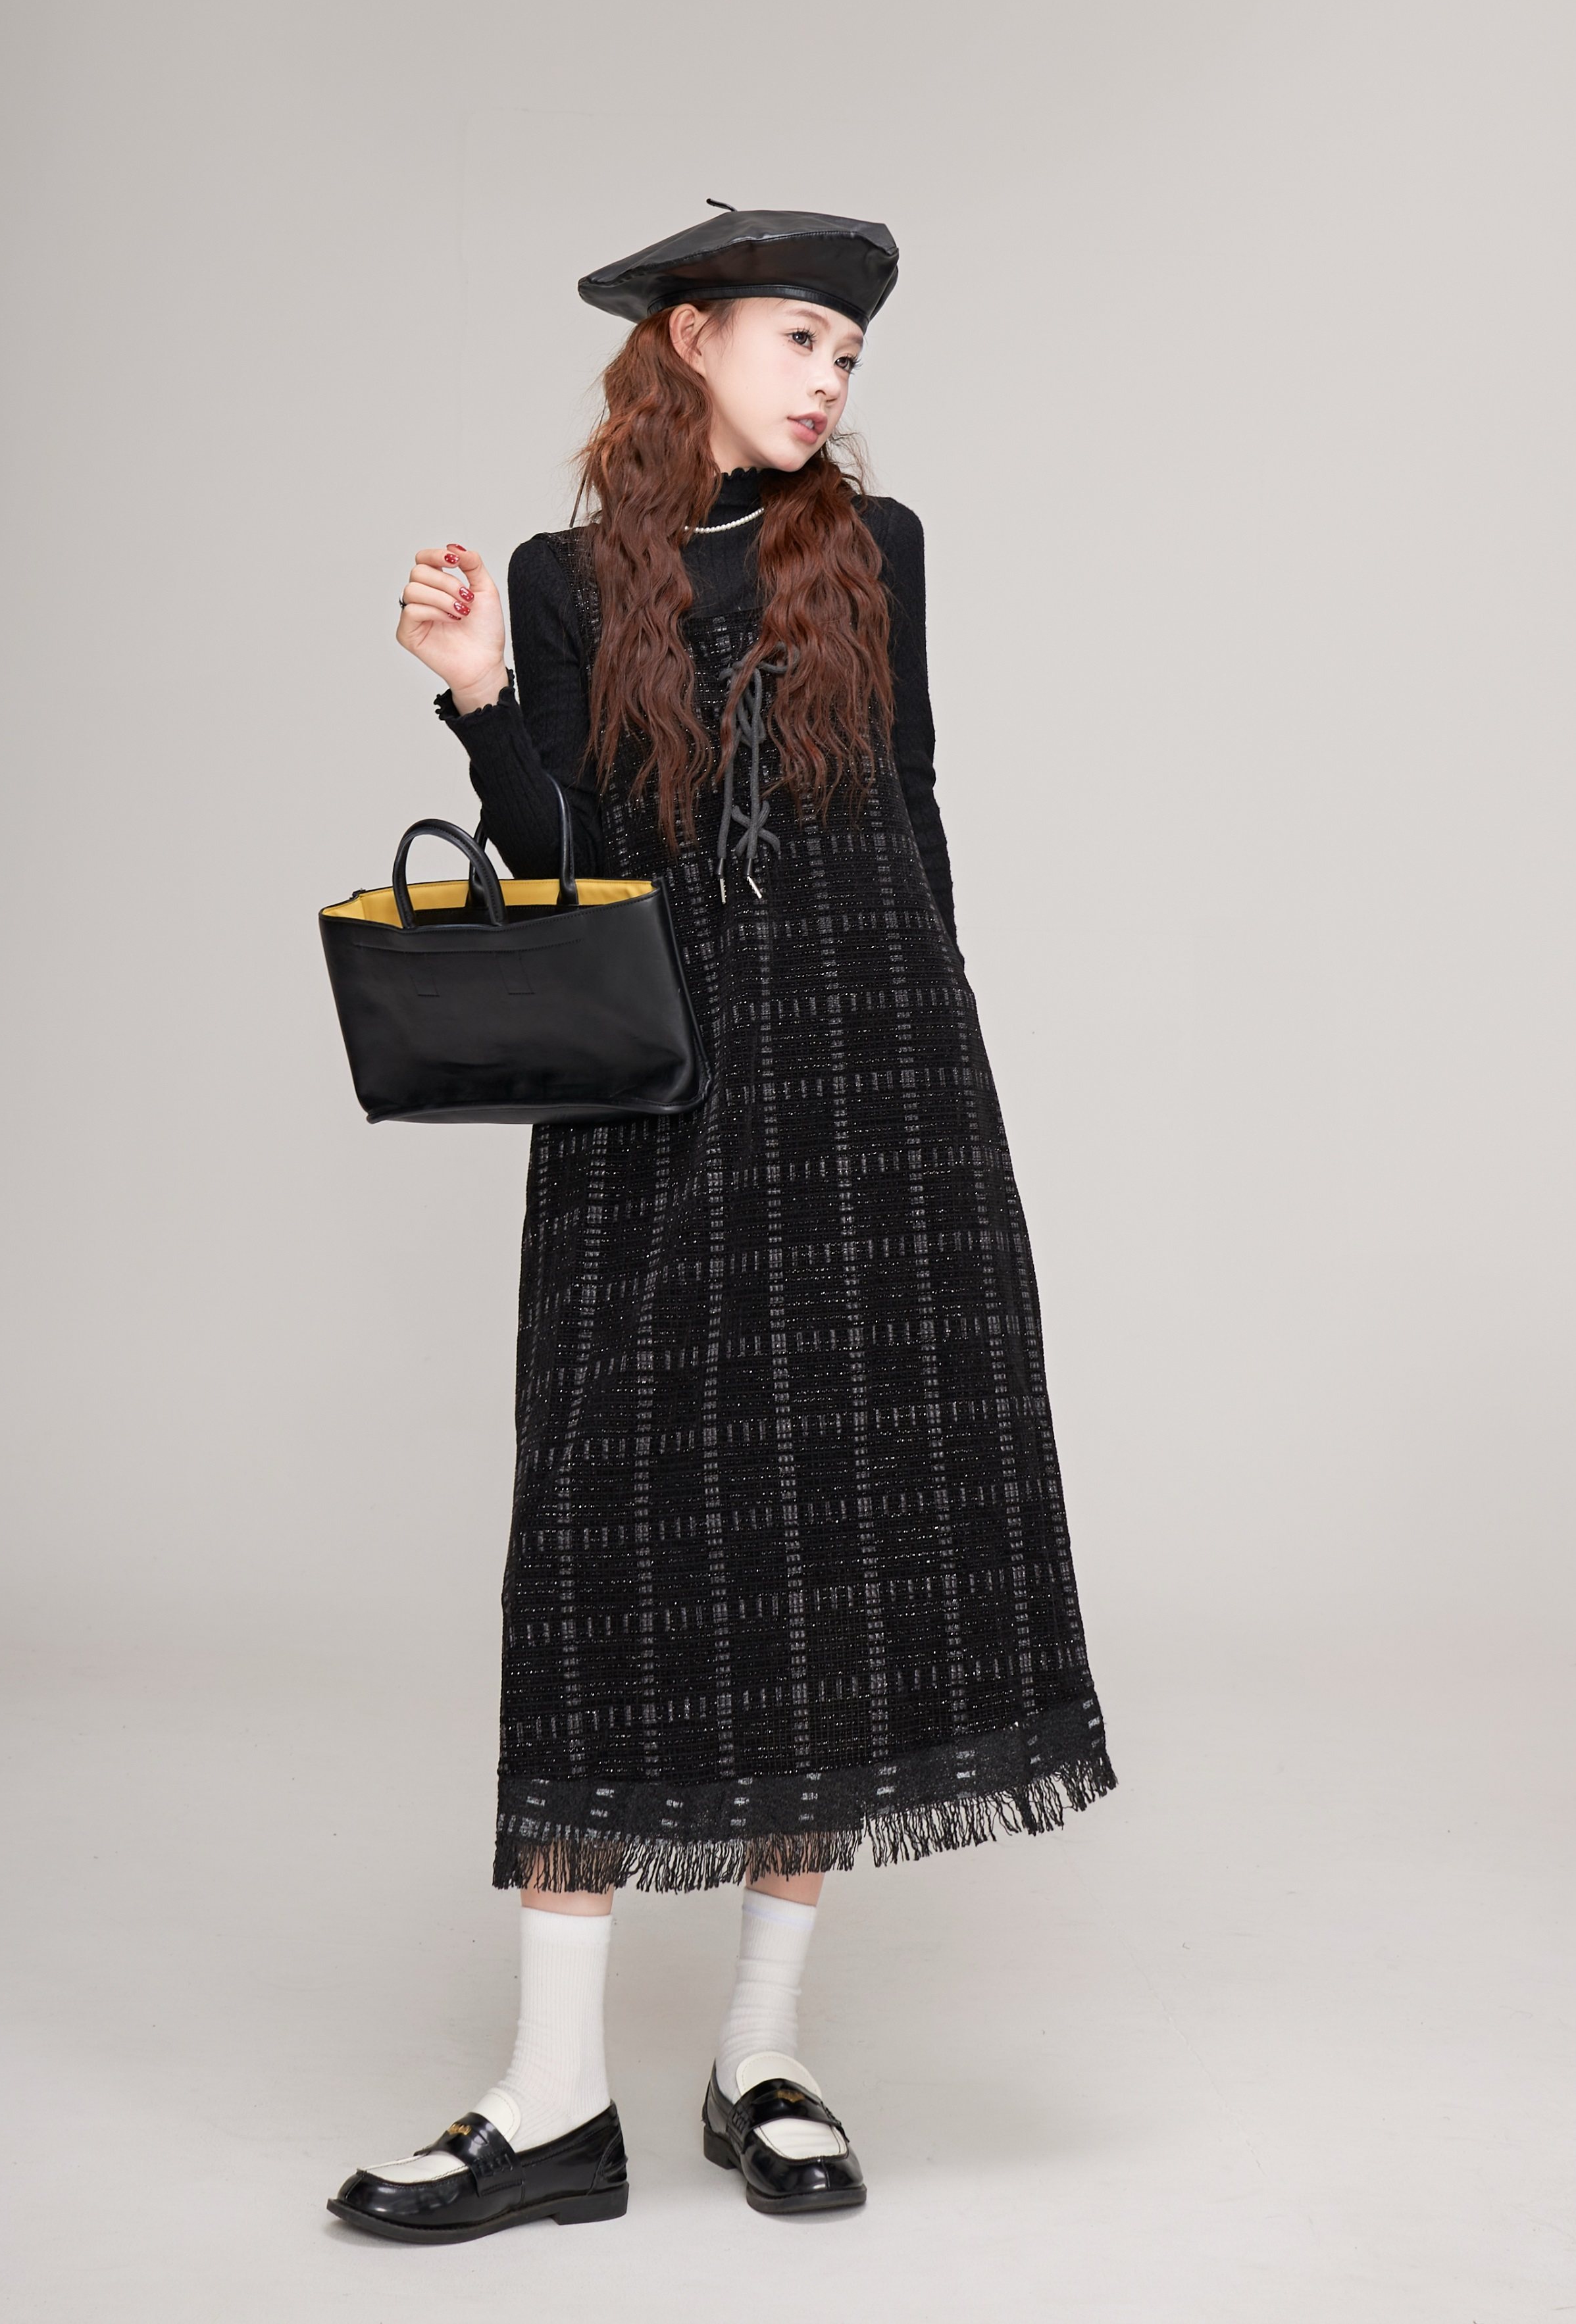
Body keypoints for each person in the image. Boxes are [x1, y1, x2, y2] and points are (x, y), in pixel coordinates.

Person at [326, 205, 1117, 2243]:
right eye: (795, 340)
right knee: (606, 1553)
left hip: (870, 1089)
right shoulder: (562, 577)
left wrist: (941, 1090)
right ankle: (552, 2098)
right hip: (658, 1091)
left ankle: (761, 2055)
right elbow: (567, 860)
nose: (829, 379)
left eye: (847, 353)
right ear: (685, 342)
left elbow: (909, 814)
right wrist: (477, 697)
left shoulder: (875, 549)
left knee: (827, 1549)